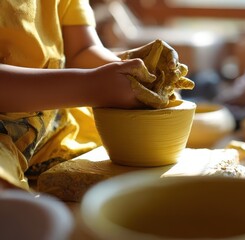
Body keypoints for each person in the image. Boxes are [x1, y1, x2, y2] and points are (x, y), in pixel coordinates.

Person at [0, 0, 179, 190]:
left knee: (147, 141)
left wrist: (134, 67)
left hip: (56, 122)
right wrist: (91, 86)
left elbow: (81, 50)